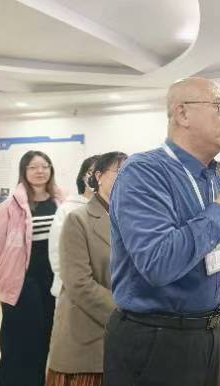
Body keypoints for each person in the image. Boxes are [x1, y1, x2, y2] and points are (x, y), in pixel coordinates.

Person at [103, 77, 220, 386]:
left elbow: (214, 261)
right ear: (182, 114)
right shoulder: (143, 172)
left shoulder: (212, 177)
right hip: (156, 338)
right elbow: (159, 263)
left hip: (205, 332)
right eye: (219, 107)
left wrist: (219, 321)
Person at [47, 152, 127, 386]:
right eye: (119, 172)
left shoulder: (131, 220)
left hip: (127, 339)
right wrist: (127, 311)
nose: (125, 178)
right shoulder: (78, 219)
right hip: (88, 334)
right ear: (98, 176)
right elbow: (78, 283)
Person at [0, 150, 64, 386]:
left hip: (52, 279)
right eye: (33, 167)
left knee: (46, 336)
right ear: (24, 171)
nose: (40, 171)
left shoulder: (60, 201)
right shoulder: (10, 206)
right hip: (21, 281)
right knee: (19, 340)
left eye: (44, 166)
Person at [48, 154, 100, 298]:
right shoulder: (68, 209)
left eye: (101, 172)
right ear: (83, 176)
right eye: (91, 172)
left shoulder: (111, 208)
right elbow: (56, 253)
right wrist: (74, 283)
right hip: (73, 289)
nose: (96, 177)